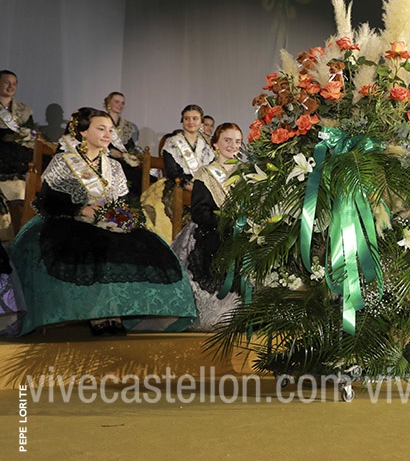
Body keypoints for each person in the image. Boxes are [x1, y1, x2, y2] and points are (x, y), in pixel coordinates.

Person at [7, 107, 196, 336]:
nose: (108, 134)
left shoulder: (114, 166)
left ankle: (116, 312)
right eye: (101, 129)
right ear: (83, 132)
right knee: (90, 248)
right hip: (68, 221)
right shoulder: (63, 162)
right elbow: (48, 201)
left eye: (110, 130)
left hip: (106, 222)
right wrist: (80, 209)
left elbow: (123, 201)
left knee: (146, 245)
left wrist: (120, 216)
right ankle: (97, 314)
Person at [171, 123, 246, 330]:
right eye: (227, 140)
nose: (233, 145)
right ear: (215, 143)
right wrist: (226, 223)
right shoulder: (205, 174)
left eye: (237, 141)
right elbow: (199, 213)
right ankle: (218, 315)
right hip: (211, 230)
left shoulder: (246, 173)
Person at [141, 104, 215, 242]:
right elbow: (171, 172)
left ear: (201, 121)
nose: (191, 122)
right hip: (178, 185)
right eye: (187, 118)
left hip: (200, 187)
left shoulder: (206, 145)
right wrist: (187, 185)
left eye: (194, 118)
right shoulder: (172, 143)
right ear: (182, 120)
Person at [0, 70, 36, 234]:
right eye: (7, 83)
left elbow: (30, 132)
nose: (11, 87)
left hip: (19, 158)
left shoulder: (24, 110)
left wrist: (23, 136)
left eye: (14, 84)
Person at [103, 92, 143, 197]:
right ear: (109, 103)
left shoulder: (127, 125)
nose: (120, 105)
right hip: (106, 157)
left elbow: (130, 145)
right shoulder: (102, 121)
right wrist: (111, 151)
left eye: (122, 103)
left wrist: (132, 156)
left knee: (139, 171)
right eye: (117, 102)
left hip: (123, 158)